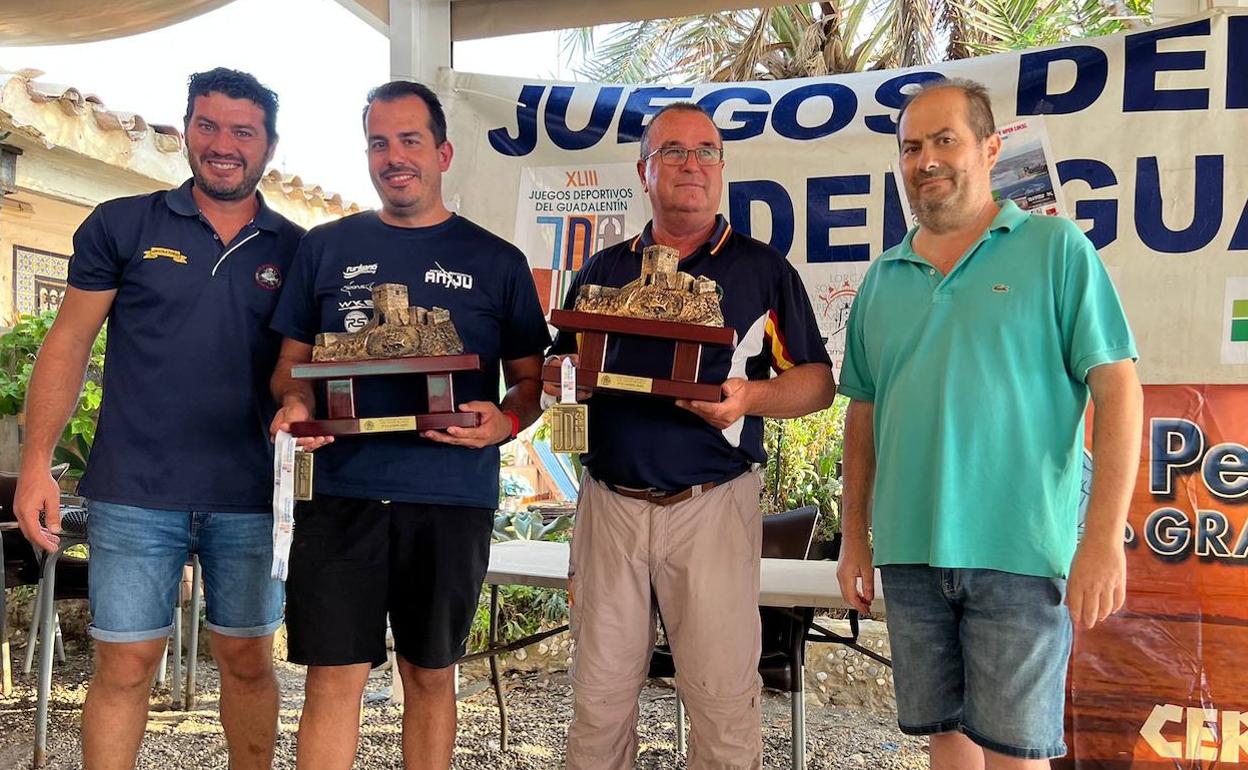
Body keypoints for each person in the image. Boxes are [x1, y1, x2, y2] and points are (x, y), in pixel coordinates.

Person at [835, 78, 1143, 770]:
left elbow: (1119, 391)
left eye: (946, 140)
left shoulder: (1056, 249)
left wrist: (1102, 542)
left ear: (991, 147)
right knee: (947, 740)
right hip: (911, 555)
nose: (926, 160)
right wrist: (855, 539)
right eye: (913, 147)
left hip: (1020, 554)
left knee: (1013, 755)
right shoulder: (884, 277)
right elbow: (864, 413)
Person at [14, 67, 300, 769]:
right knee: (124, 667)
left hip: (251, 494)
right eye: (207, 125)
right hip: (134, 490)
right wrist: (34, 467)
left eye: (242, 131)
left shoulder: (299, 249)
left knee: (249, 663)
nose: (222, 143)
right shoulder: (123, 224)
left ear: (269, 145)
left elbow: (304, 368)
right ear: (186, 130)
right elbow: (68, 345)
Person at [268, 80, 550, 770]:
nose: (394, 157)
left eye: (410, 141)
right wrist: (296, 406)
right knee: (334, 677)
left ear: (443, 152)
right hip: (340, 492)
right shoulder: (326, 248)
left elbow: (533, 382)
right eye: (379, 142)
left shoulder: (497, 261)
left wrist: (507, 420)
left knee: (431, 674)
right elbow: (290, 366)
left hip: (451, 496)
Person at [546, 102, 836, 770]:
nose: (692, 165)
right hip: (610, 504)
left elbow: (817, 383)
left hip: (712, 505)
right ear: (644, 169)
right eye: (673, 151)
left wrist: (749, 398)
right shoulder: (603, 271)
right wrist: (564, 379)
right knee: (597, 698)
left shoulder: (762, 270)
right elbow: (563, 374)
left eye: (707, 151)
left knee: (722, 700)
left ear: (722, 168)